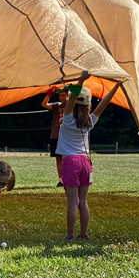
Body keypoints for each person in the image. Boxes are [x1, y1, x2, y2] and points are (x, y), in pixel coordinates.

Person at [56, 71, 122, 241]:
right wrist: (116, 86)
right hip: (86, 163)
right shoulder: (90, 121)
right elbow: (104, 103)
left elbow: (71, 99)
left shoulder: (68, 119)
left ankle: (70, 235)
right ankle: (83, 234)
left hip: (70, 162)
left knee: (72, 202)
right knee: (83, 202)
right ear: (88, 104)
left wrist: (81, 79)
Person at [42, 87, 69, 187]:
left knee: (68, 158)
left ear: (68, 96)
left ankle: (69, 178)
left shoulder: (72, 105)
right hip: (56, 135)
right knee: (58, 158)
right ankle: (61, 180)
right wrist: (49, 95)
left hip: (68, 136)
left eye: (64, 95)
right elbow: (44, 104)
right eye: (60, 95)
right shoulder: (58, 105)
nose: (62, 97)